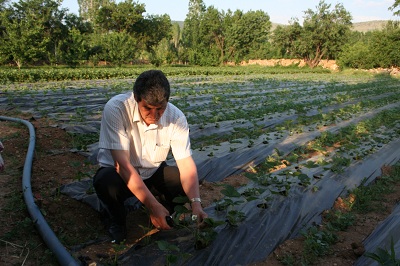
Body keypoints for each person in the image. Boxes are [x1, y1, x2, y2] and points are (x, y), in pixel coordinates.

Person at [93, 70, 208, 243]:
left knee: (181, 181)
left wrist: (196, 203)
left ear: (167, 102)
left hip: (152, 170)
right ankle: (115, 219)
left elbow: (186, 165)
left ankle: (166, 210)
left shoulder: (176, 118)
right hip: (120, 173)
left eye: (160, 109)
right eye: (147, 108)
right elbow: (122, 165)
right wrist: (152, 205)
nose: (153, 116)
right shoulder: (116, 109)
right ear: (136, 98)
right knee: (106, 182)